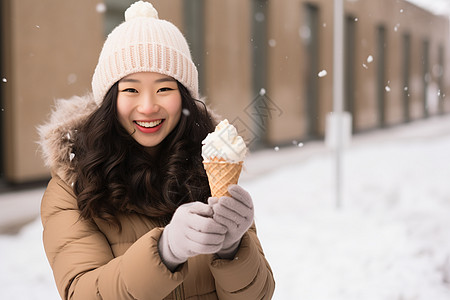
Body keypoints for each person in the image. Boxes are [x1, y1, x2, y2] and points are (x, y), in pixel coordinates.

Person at [38, 1, 275, 299]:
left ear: (184, 97)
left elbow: (259, 295)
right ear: (110, 99)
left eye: (164, 88)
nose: (148, 106)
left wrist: (233, 249)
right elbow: (82, 292)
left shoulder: (211, 167)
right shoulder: (71, 187)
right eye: (131, 90)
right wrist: (165, 251)